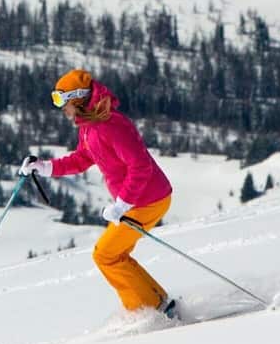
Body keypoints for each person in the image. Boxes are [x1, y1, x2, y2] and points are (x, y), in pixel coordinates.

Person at [19, 69, 178, 317]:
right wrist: (45, 167)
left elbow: (141, 166)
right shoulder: (89, 127)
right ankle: (157, 305)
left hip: (148, 199)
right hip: (139, 200)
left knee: (106, 255)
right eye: (56, 100)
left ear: (78, 98)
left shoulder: (111, 126)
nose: (60, 108)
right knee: (114, 255)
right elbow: (83, 157)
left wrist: (123, 204)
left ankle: (148, 310)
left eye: (62, 100)